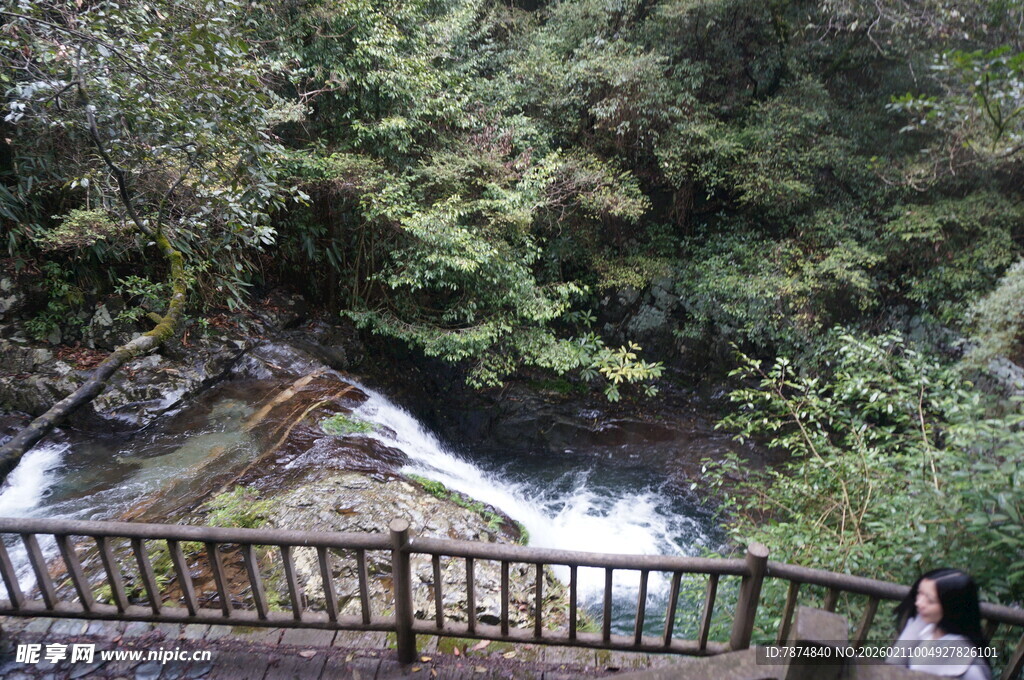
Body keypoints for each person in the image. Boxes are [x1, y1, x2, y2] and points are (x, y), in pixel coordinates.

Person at [887, 568, 992, 679]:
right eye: (920, 594)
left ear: (952, 607)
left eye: (930, 600)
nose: (919, 603)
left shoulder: (972, 670)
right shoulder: (922, 628)